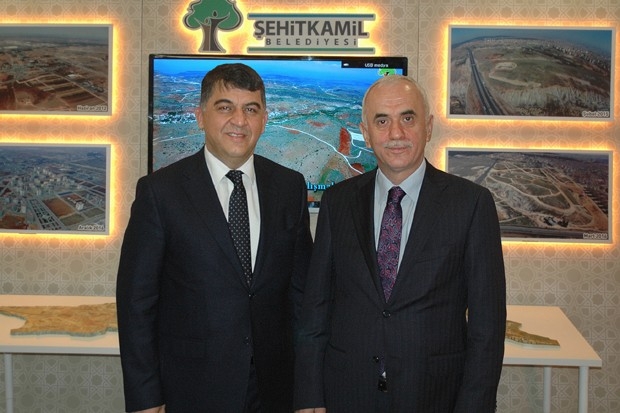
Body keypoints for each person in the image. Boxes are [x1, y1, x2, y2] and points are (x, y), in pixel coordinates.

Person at [294, 75, 506, 413]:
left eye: (408, 118)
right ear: (365, 132)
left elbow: (487, 326)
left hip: (434, 394)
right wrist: (309, 395)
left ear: (428, 127)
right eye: (382, 121)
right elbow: (316, 308)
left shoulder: (471, 204)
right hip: (347, 392)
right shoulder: (338, 201)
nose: (396, 133)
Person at [116, 63, 313, 413]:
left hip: (274, 390)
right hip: (191, 388)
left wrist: (308, 389)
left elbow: (301, 297)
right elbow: (136, 303)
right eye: (225, 107)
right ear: (200, 116)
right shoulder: (160, 193)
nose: (239, 120)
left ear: (264, 119)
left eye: (251, 109)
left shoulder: (289, 187)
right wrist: (146, 397)